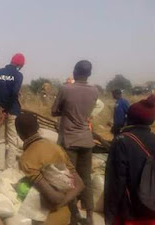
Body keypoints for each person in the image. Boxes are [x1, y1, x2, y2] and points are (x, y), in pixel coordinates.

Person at [51, 60, 99, 225]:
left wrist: (66, 110)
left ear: (74, 70)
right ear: (89, 74)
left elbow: (54, 110)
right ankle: (90, 216)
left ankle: (74, 215)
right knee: (86, 178)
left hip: (69, 140)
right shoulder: (95, 91)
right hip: (86, 139)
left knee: (69, 179)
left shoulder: (66, 88)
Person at [17, 111, 85, 225]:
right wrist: (64, 199)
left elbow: (54, 198)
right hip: (65, 217)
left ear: (19, 134)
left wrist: (56, 203)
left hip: (45, 220)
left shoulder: (26, 159)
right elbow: (80, 184)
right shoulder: (56, 148)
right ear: (38, 127)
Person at [104, 94, 155, 225]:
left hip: (131, 213)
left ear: (129, 118)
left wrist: (110, 215)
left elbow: (115, 183)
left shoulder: (122, 141)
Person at [0, 53, 25, 172]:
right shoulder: (18, 75)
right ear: (20, 64)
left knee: (0, 141)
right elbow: (14, 93)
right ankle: (9, 169)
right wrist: (6, 109)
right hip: (12, 111)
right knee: (12, 141)